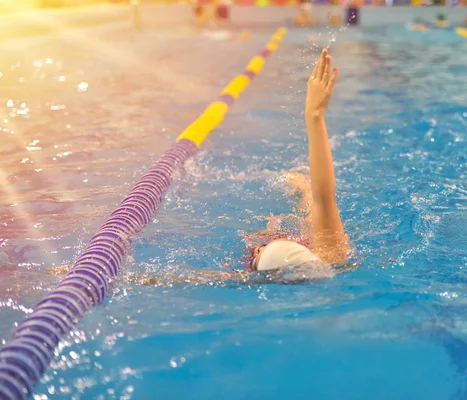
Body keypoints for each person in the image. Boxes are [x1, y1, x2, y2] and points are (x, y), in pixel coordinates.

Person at [49, 50, 351, 285]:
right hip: (301, 255)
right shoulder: (331, 256)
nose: (258, 248)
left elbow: (170, 279)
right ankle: (297, 187)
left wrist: (82, 272)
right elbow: (324, 196)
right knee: (310, 200)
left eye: (258, 253)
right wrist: (314, 117)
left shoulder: (263, 272)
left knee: (309, 200)